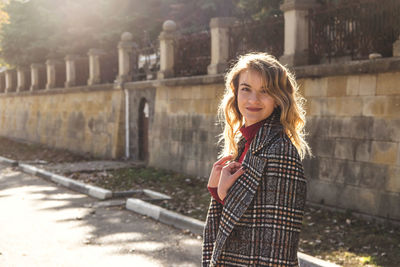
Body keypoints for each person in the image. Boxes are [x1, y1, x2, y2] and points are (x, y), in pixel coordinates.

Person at [202, 52, 311, 266]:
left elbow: (280, 243)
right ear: (235, 92)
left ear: (279, 99)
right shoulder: (245, 141)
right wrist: (216, 190)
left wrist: (224, 194)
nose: (253, 100)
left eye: (265, 91)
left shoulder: (280, 151)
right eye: (246, 89)